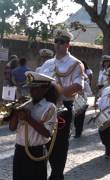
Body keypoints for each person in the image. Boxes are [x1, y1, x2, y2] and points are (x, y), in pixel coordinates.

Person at [47, 29, 85, 180]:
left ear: (68, 44)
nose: (58, 44)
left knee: (60, 142)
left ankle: (57, 175)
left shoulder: (75, 63)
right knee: (46, 139)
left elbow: (77, 86)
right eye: (56, 41)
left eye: (62, 41)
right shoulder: (48, 63)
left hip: (63, 106)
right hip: (46, 105)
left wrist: (58, 94)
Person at [8, 71, 59, 180]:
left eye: (34, 88)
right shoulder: (26, 104)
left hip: (37, 151)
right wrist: (15, 113)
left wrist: (28, 119)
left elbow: (47, 133)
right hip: (20, 150)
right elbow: (12, 127)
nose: (31, 91)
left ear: (44, 89)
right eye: (30, 88)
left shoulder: (49, 107)